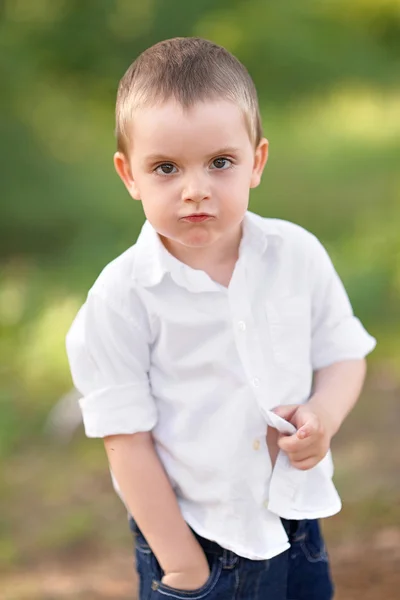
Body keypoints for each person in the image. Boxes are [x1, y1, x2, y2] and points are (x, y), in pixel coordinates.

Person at [65, 37, 376, 600]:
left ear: (255, 161)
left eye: (220, 162)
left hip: (294, 519)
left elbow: (342, 352)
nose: (195, 190)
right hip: (194, 534)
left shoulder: (295, 255)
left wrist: (323, 415)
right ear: (128, 175)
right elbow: (125, 440)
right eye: (165, 168)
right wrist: (182, 564)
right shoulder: (121, 297)